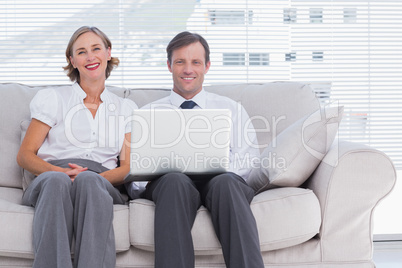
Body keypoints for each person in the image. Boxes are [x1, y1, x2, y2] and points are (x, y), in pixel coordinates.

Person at [128, 31, 264, 268]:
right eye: (180, 62)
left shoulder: (231, 109)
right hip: (170, 185)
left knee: (226, 183)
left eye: (196, 62)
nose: (188, 69)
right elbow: (135, 176)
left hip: (221, 183)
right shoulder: (148, 113)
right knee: (174, 181)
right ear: (169, 65)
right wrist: (150, 178)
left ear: (207, 66)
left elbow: (249, 162)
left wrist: (210, 165)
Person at [17, 26, 137, 268]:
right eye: (81, 52)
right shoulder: (54, 98)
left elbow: (128, 166)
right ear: (72, 60)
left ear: (108, 52)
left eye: (96, 49)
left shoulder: (126, 107)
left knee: (89, 182)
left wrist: (94, 178)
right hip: (51, 175)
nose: (90, 57)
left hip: (101, 179)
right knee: (56, 181)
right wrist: (61, 172)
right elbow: (25, 155)